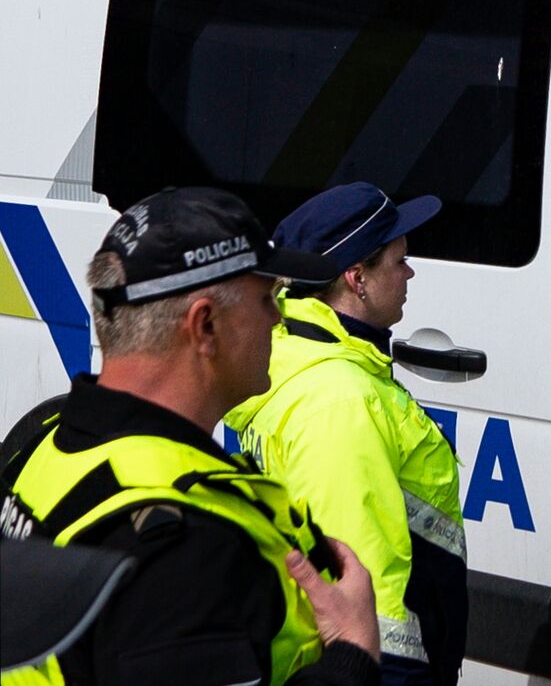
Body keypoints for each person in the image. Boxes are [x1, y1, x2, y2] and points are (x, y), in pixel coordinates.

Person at [0, 187, 380, 686]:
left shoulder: (44, 444)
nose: (279, 317)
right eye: (266, 298)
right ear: (204, 326)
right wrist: (353, 656)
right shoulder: (187, 548)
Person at [224, 182, 466, 686]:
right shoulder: (341, 399)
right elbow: (364, 579)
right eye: (398, 261)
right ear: (357, 278)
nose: (410, 272)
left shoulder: (303, 354)